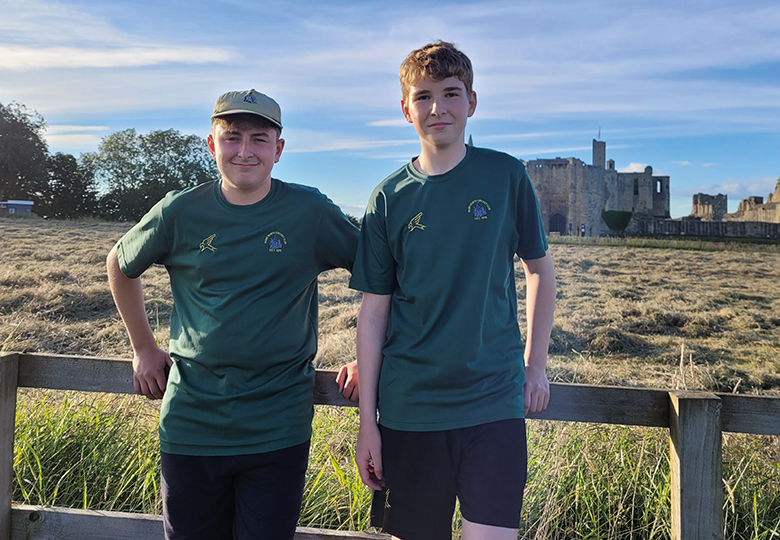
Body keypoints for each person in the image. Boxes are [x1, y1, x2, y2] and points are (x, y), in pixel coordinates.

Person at [106, 89, 360, 540]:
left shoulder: (310, 212)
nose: (245, 151)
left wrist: (367, 356)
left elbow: (380, 276)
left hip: (278, 425)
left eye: (259, 139)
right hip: (191, 422)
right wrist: (143, 348)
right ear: (212, 145)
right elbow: (119, 265)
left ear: (278, 149)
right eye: (232, 137)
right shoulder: (179, 211)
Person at [350, 41, 557, 540]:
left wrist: (535, 365)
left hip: (492, 402)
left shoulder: (506, 175)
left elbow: (540, 271)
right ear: (405, 109)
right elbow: (374, 312)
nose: (437, 108)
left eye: (450, 93)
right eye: (422, 96)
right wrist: (367, 422)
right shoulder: (388, 197)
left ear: (472, 102)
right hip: (409, 409)